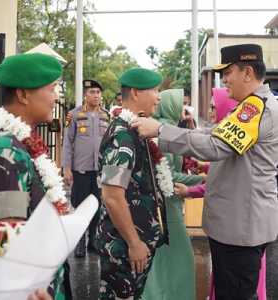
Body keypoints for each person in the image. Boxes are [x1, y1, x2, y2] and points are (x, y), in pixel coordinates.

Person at [132, 44, 278, 300]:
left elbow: (216, 145)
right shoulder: (249, 105)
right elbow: (214, 136)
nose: (224, 79)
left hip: (240, 228)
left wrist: (161, 131)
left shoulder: (255, 109)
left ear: (247, 72)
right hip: (236, 224)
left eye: (228, 72)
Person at [0, 53, 70, 299]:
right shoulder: (5, 152)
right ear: (23, 94)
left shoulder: (21, 144)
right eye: (51, 89)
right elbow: (3, 242)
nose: (56, 97)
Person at [97, 67, 167, 299]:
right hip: (123, 245)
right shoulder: (122, 136)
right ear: (136, 93)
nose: (158, 97)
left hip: (134, 239)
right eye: (155, 90)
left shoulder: (135, 129)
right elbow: (112, 195)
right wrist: (134, 242)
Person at [142, 89, 204, 300]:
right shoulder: (163, 132)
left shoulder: (167, 127)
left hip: (170, 200)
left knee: (166, 256)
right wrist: (201, 181)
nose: (184, 108)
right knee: (177, 255)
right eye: (181, 103)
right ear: (172, 107)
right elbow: (167, 174)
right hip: (167, 203)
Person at [62, 79, 109, 257]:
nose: (96, 95)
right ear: (85, 94)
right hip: (80, 169)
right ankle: (80, 241)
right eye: (92, 92)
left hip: (99, 170)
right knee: (80, 204)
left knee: (97, 204)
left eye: (98, 92)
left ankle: (93, 240)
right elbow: (67, 142)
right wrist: (66, 168)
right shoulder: (73, 115)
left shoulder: (106, 116)